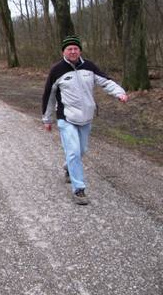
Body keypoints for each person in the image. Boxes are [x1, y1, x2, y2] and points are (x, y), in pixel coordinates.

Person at [42, 35, 128, 205]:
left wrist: (120, 92)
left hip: (86, 118)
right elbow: (48, 96)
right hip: (66, 118)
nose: (73, 51)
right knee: (73, 151)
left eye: (75, 48)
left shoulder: (89, 66)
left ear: (80, 50)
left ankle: (69, 167)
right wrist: (47, 118)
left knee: (81, 151)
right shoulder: (57, 70)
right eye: (69, 49)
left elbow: (106, 82)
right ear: (63, 52)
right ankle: (79, 189)